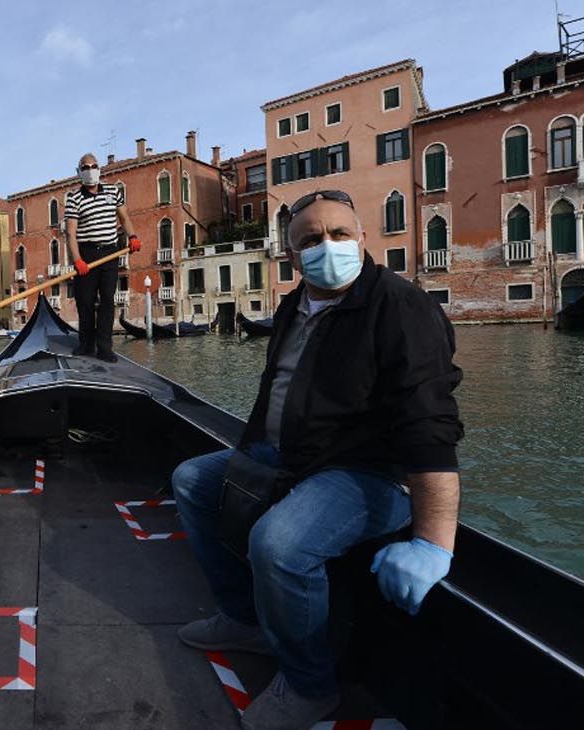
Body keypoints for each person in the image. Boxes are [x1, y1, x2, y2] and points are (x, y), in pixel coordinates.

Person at [170, 190, 464, 730]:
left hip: (371, 472)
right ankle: (244, 619)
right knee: (192, 480)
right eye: (310, 240)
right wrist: (253, 457)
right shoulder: (294, 304)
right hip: (295, 458)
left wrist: (432, 542)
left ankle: (310, 686)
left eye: (339, 234)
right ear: (290, 255)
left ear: (362, 240)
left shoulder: (401, 305)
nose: (327, 246)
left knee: (279, 544)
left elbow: (429, 423)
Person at [65, 153, 140, 362]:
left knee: (107, 300)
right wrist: (77, 259)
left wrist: (132, 236)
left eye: (93, 165)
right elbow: (71, 232)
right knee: (85, 302)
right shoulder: (73, 198)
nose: (90, 169)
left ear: (99, 169)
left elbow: (124, 217)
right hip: (86, 253)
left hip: (110, 252)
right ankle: (87, 344)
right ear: (79, 172)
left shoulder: (113, 191)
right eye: (85, 167)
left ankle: (105, 347)